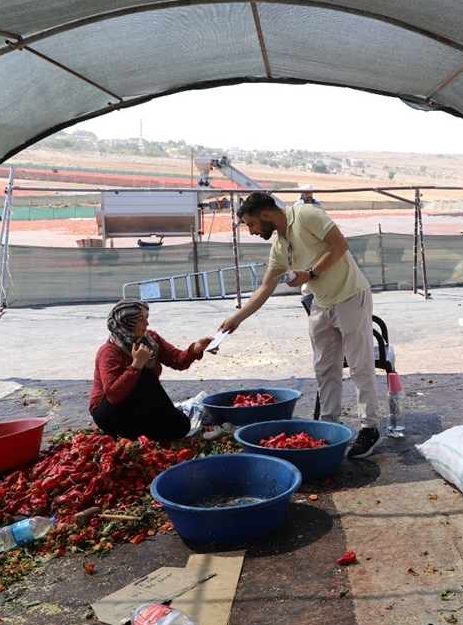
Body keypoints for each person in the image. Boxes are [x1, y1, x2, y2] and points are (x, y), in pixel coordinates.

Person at [220, 192, 382, 458]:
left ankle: (370, 428)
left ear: (265, 214)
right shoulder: (280, 245)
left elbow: (340, 245)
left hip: (350, 296)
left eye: (251, 224)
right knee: (324, 369)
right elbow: (266, 287)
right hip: (322, 303)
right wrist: (237, 317)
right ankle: (331, 425)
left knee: (360, 366)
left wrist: (310, 274)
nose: (251, 231)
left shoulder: (306, 214)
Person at [89, 299, 213, 440]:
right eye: (140, 320)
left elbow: (176, 359)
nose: (146, 323)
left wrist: (197, 348)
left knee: (181, 425)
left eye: (146, 317)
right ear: (126, 323)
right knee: (145, 375)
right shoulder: (109, 352)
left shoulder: (150, 339)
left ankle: (141, 431)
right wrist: (136, 365)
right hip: (110, 411)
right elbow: (113, 394)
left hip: (141, 405)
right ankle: (133, 431)